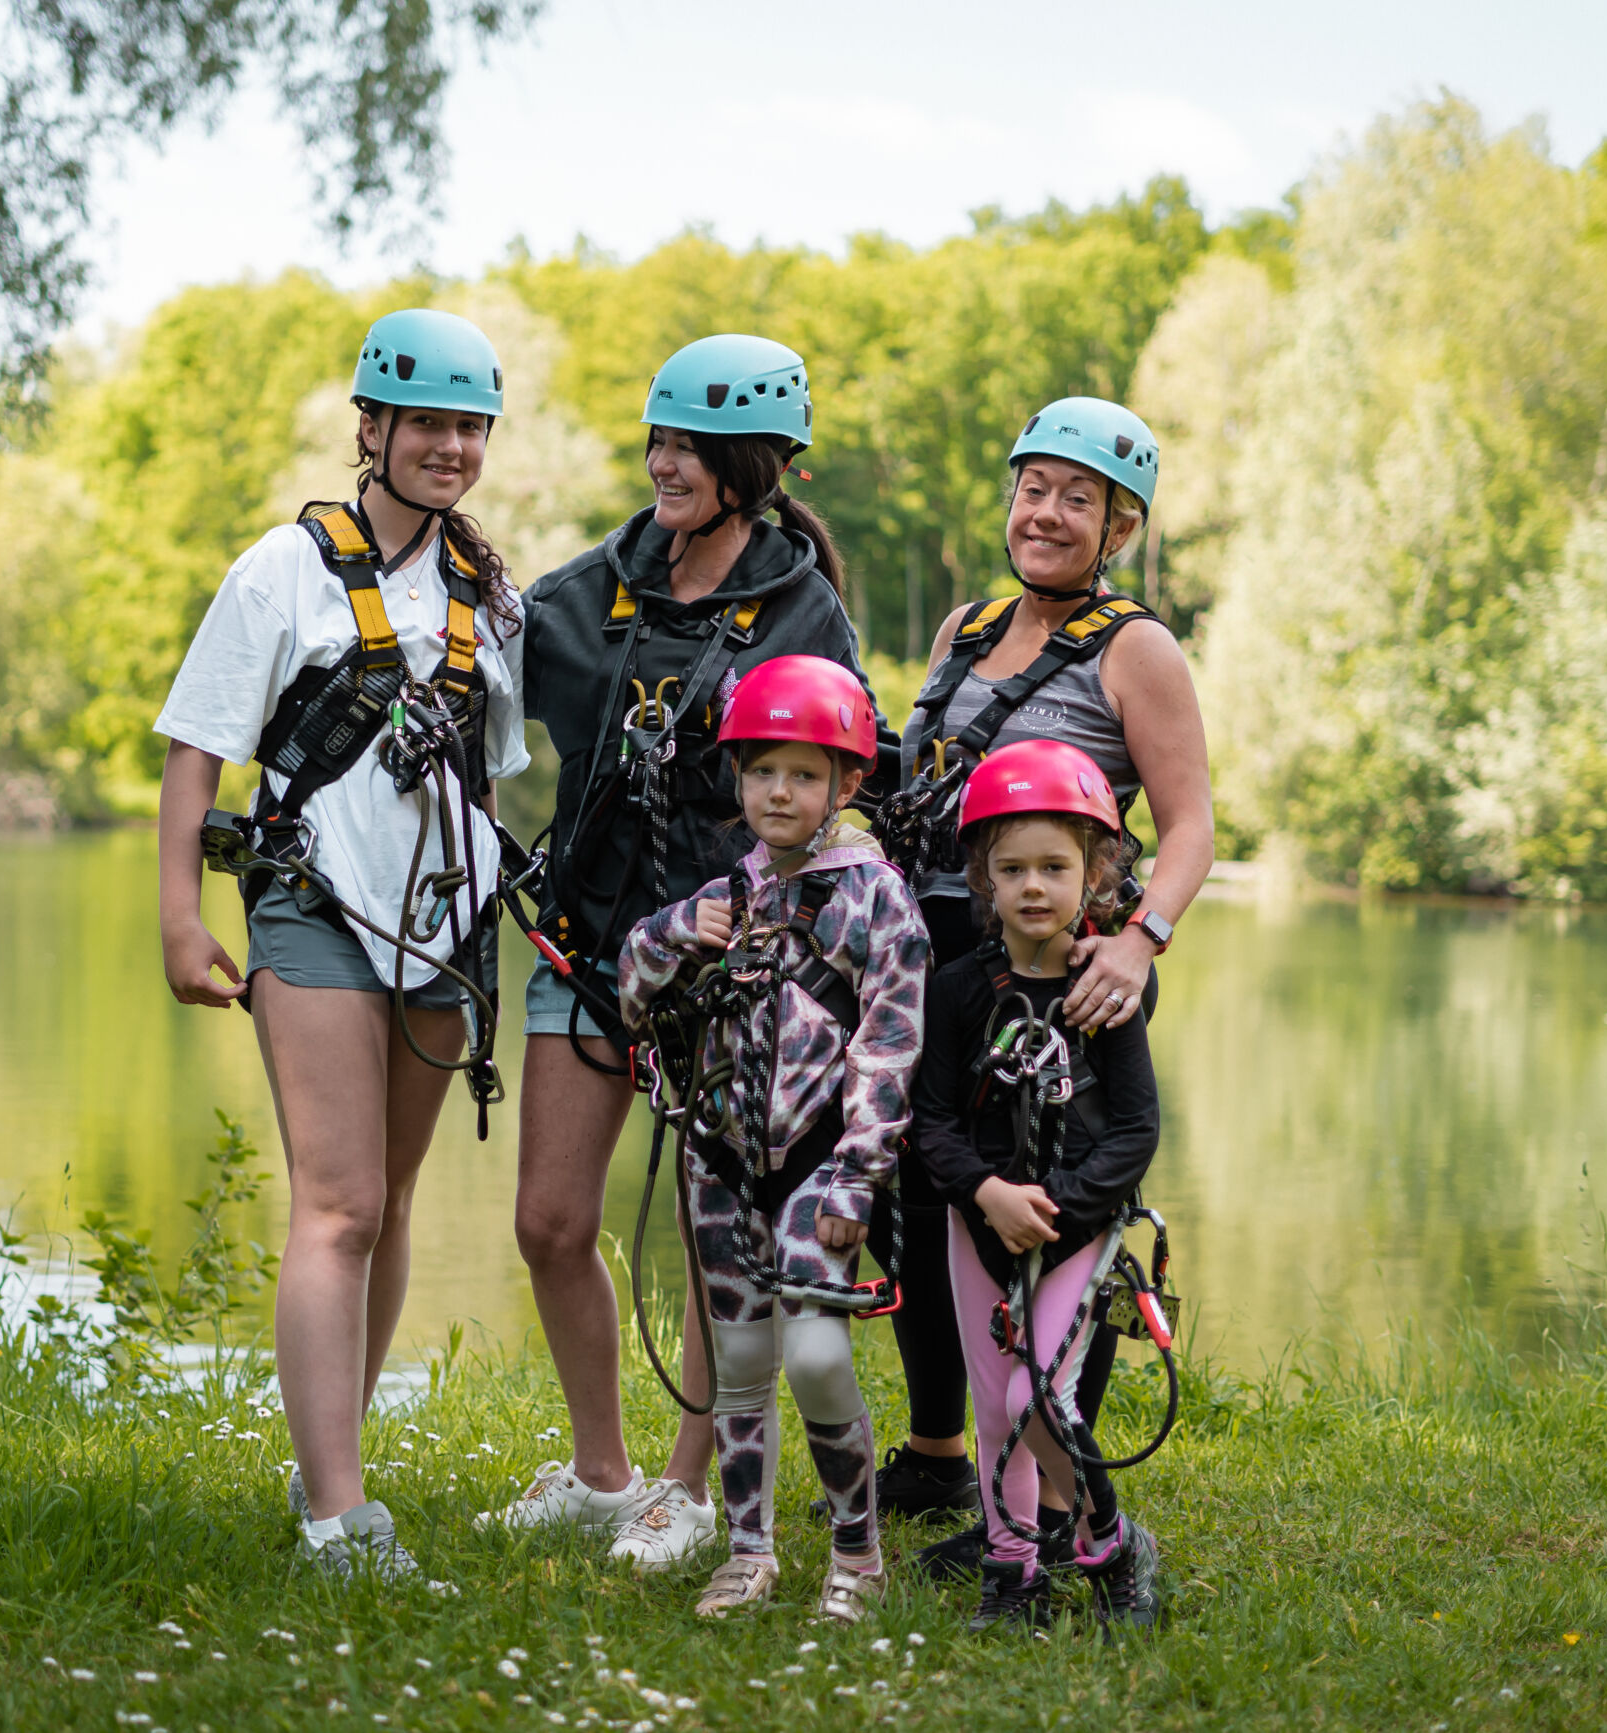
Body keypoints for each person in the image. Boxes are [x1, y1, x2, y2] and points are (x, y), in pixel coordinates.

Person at [491, 334, 881, 1567]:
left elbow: (842, 771)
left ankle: (685, 1485)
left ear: (750, 466)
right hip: (591, 949)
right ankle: (599, 1471)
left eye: (689, 449)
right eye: (655, 441)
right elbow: (479, 682)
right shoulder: (589, 588)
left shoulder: (800, 609)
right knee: (550, 1219)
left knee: (722, 1240)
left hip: (732, 967)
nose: (662, 463)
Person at [153, 308, 529, 1578]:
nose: (450, 447)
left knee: (394, 1196)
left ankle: (333, 1458)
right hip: (311, 908)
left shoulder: (487, 595)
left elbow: (487, 776)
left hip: (440, 926)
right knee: (340, 1201)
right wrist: (179, 914)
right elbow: (197, 749)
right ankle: (336, 1518)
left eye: (469, 427)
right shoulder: (283, 569)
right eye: (426, 423)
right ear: (369, 425)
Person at [874, 397, 1211, 1573]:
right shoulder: (963, 630)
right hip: (945, 966)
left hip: (1063, 973)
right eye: (1033, 489)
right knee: (933, 1204)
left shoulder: (1136, 648)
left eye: (1078, 499)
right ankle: (958, 1464)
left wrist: (1139, 942)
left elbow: (1189, 824)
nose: (1047, 513)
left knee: (1058, 1216)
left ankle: (1065, 1509)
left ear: (1118, 528)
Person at [614, 655, 926, 1620]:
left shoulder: (876, 897)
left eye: (802, 773)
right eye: (760, 772)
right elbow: (632, 995)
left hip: (821, 1166)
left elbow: (891, 1043)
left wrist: (860, 1174)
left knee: (819, 1355)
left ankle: (858, 1551)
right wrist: (675, 931)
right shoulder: (727, 895)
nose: (778, 792)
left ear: (847, 782)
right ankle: (749, 1550)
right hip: (719, 1164)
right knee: (741, 1365)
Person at [910, 739, 1163, 1632]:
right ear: (983, 876)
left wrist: (1058, 1211)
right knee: (993, 1408)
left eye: (1055, 867)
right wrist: (986, 1193)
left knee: (1036, 1399)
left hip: (1072, 1228)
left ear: (1095, 873)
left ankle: (1110, 1546)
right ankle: (1012, 1572)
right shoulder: (956, 990)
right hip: (977, 1222)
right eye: (1012, 868)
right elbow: (930, 1121)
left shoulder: (1105, 992)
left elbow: (1135, 1129)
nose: (1032, 887)